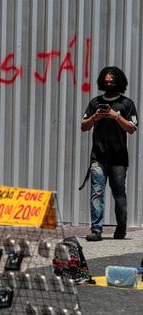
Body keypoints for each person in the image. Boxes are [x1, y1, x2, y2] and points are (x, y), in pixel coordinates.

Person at [81, 66, 138, 241]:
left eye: (112, 81)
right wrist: (94, 118)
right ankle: (96, 230)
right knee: (96, 192)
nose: (109, 83)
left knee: (119, 193)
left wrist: (116, 116)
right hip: (98, 157)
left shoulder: (127, 103)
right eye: (106, 81)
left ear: (119, 82)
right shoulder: (94, 103)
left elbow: (132, 128)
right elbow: (83, 126)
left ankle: (121, 227)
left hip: (119, 159)